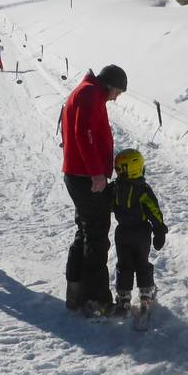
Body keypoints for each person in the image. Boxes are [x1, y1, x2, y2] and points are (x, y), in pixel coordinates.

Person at [60, 64, 127, 314]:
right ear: (110, 84)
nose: (116, 98)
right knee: (97, 237)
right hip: (85, 177)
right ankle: (96, 301)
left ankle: (76, 294)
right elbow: (84, 133)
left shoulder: (89, 91)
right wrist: (96, 172)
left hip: (79, 174)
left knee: (86, 232)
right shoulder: (90, 93)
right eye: (118, 92)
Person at [111, 148, 167, 315]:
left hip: (122, 232)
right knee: (142, 262)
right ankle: (146, 293)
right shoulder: (143, 189)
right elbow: (154, 210)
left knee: (124, 264)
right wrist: (159, 230)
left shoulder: (114, 188)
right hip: (142, 233)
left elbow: (106, 204)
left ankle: (124, 297)